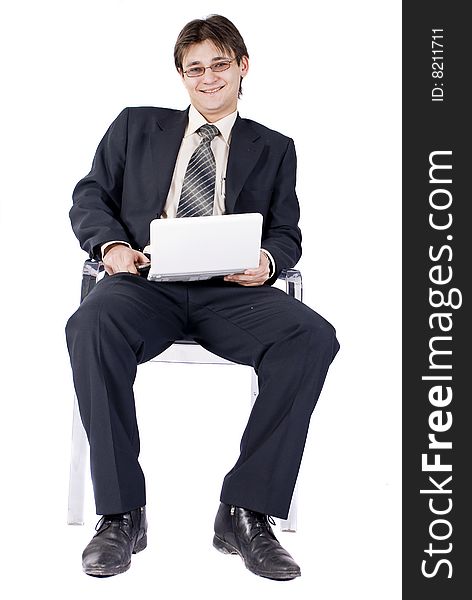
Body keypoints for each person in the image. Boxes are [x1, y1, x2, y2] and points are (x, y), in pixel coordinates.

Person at [66, 14, 339, 581]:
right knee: (90, 322)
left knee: (311, 336)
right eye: (195, 69)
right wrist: (112, 245)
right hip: (145, 285)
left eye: (220, 64)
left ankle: (247, 512)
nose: (208, 78)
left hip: (228, 294)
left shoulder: (275, 147)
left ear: (242, 66)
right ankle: (121, 514)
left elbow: (286, 232)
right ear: (181, 77)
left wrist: (266, 261)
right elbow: (89, 197)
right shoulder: (135, 127)